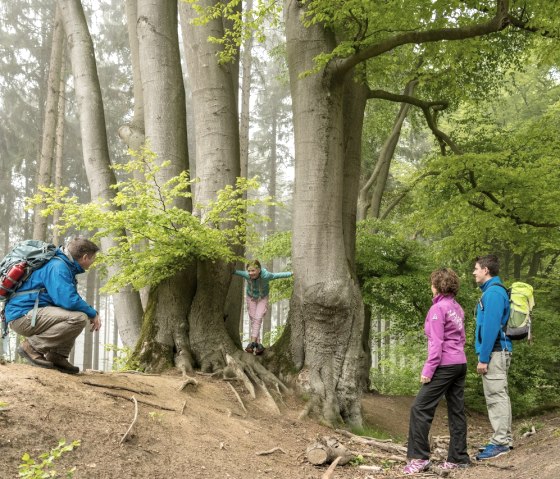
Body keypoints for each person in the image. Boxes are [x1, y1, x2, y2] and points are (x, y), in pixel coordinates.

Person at [404, 268, 470, 475]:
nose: (430, 287)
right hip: (460, 363)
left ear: (437, 286)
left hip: (445, 364)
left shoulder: (438, 309)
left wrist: (428, 369)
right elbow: (462, 339)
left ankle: (419, 457)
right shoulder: (457, 308)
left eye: (432, 283)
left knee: (420, 408)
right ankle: (459, 458)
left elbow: (437, 343)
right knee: (457, 410)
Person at [5, 237, 102, 374]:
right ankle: (32, 347)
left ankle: (57, 356)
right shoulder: (58, 266)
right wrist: (93, 313)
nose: (93, 263)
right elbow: (68, 300)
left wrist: (90, 311)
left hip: (30, 314)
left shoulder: (64, 265)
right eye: (93, 259)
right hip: (22, 316)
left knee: (76, 314)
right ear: (85, 257)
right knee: (78, 318)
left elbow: (68, 298)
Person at [473, 254, 512, 460]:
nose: (474, 272)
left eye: (476, 268)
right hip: (497, 351)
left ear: (486, 270)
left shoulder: (494, 293)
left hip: (495, 351)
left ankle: (500, 443)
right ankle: (504, 438)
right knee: (500, 395)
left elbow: (490, 328)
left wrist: (484, 357)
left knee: (496, 396)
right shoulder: (492, 292)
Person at [233, 260, 292, 355]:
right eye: (249, 271)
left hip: (262, 298)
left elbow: (278, 275)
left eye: (253, 270)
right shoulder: (247, 275)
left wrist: (291, 273)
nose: (250, 273)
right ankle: (258, 344)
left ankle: (252, 343)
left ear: (259, 270)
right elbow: (235, 272)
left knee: (258, 318)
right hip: (251, 298)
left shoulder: (266, 276)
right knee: (253, 319)